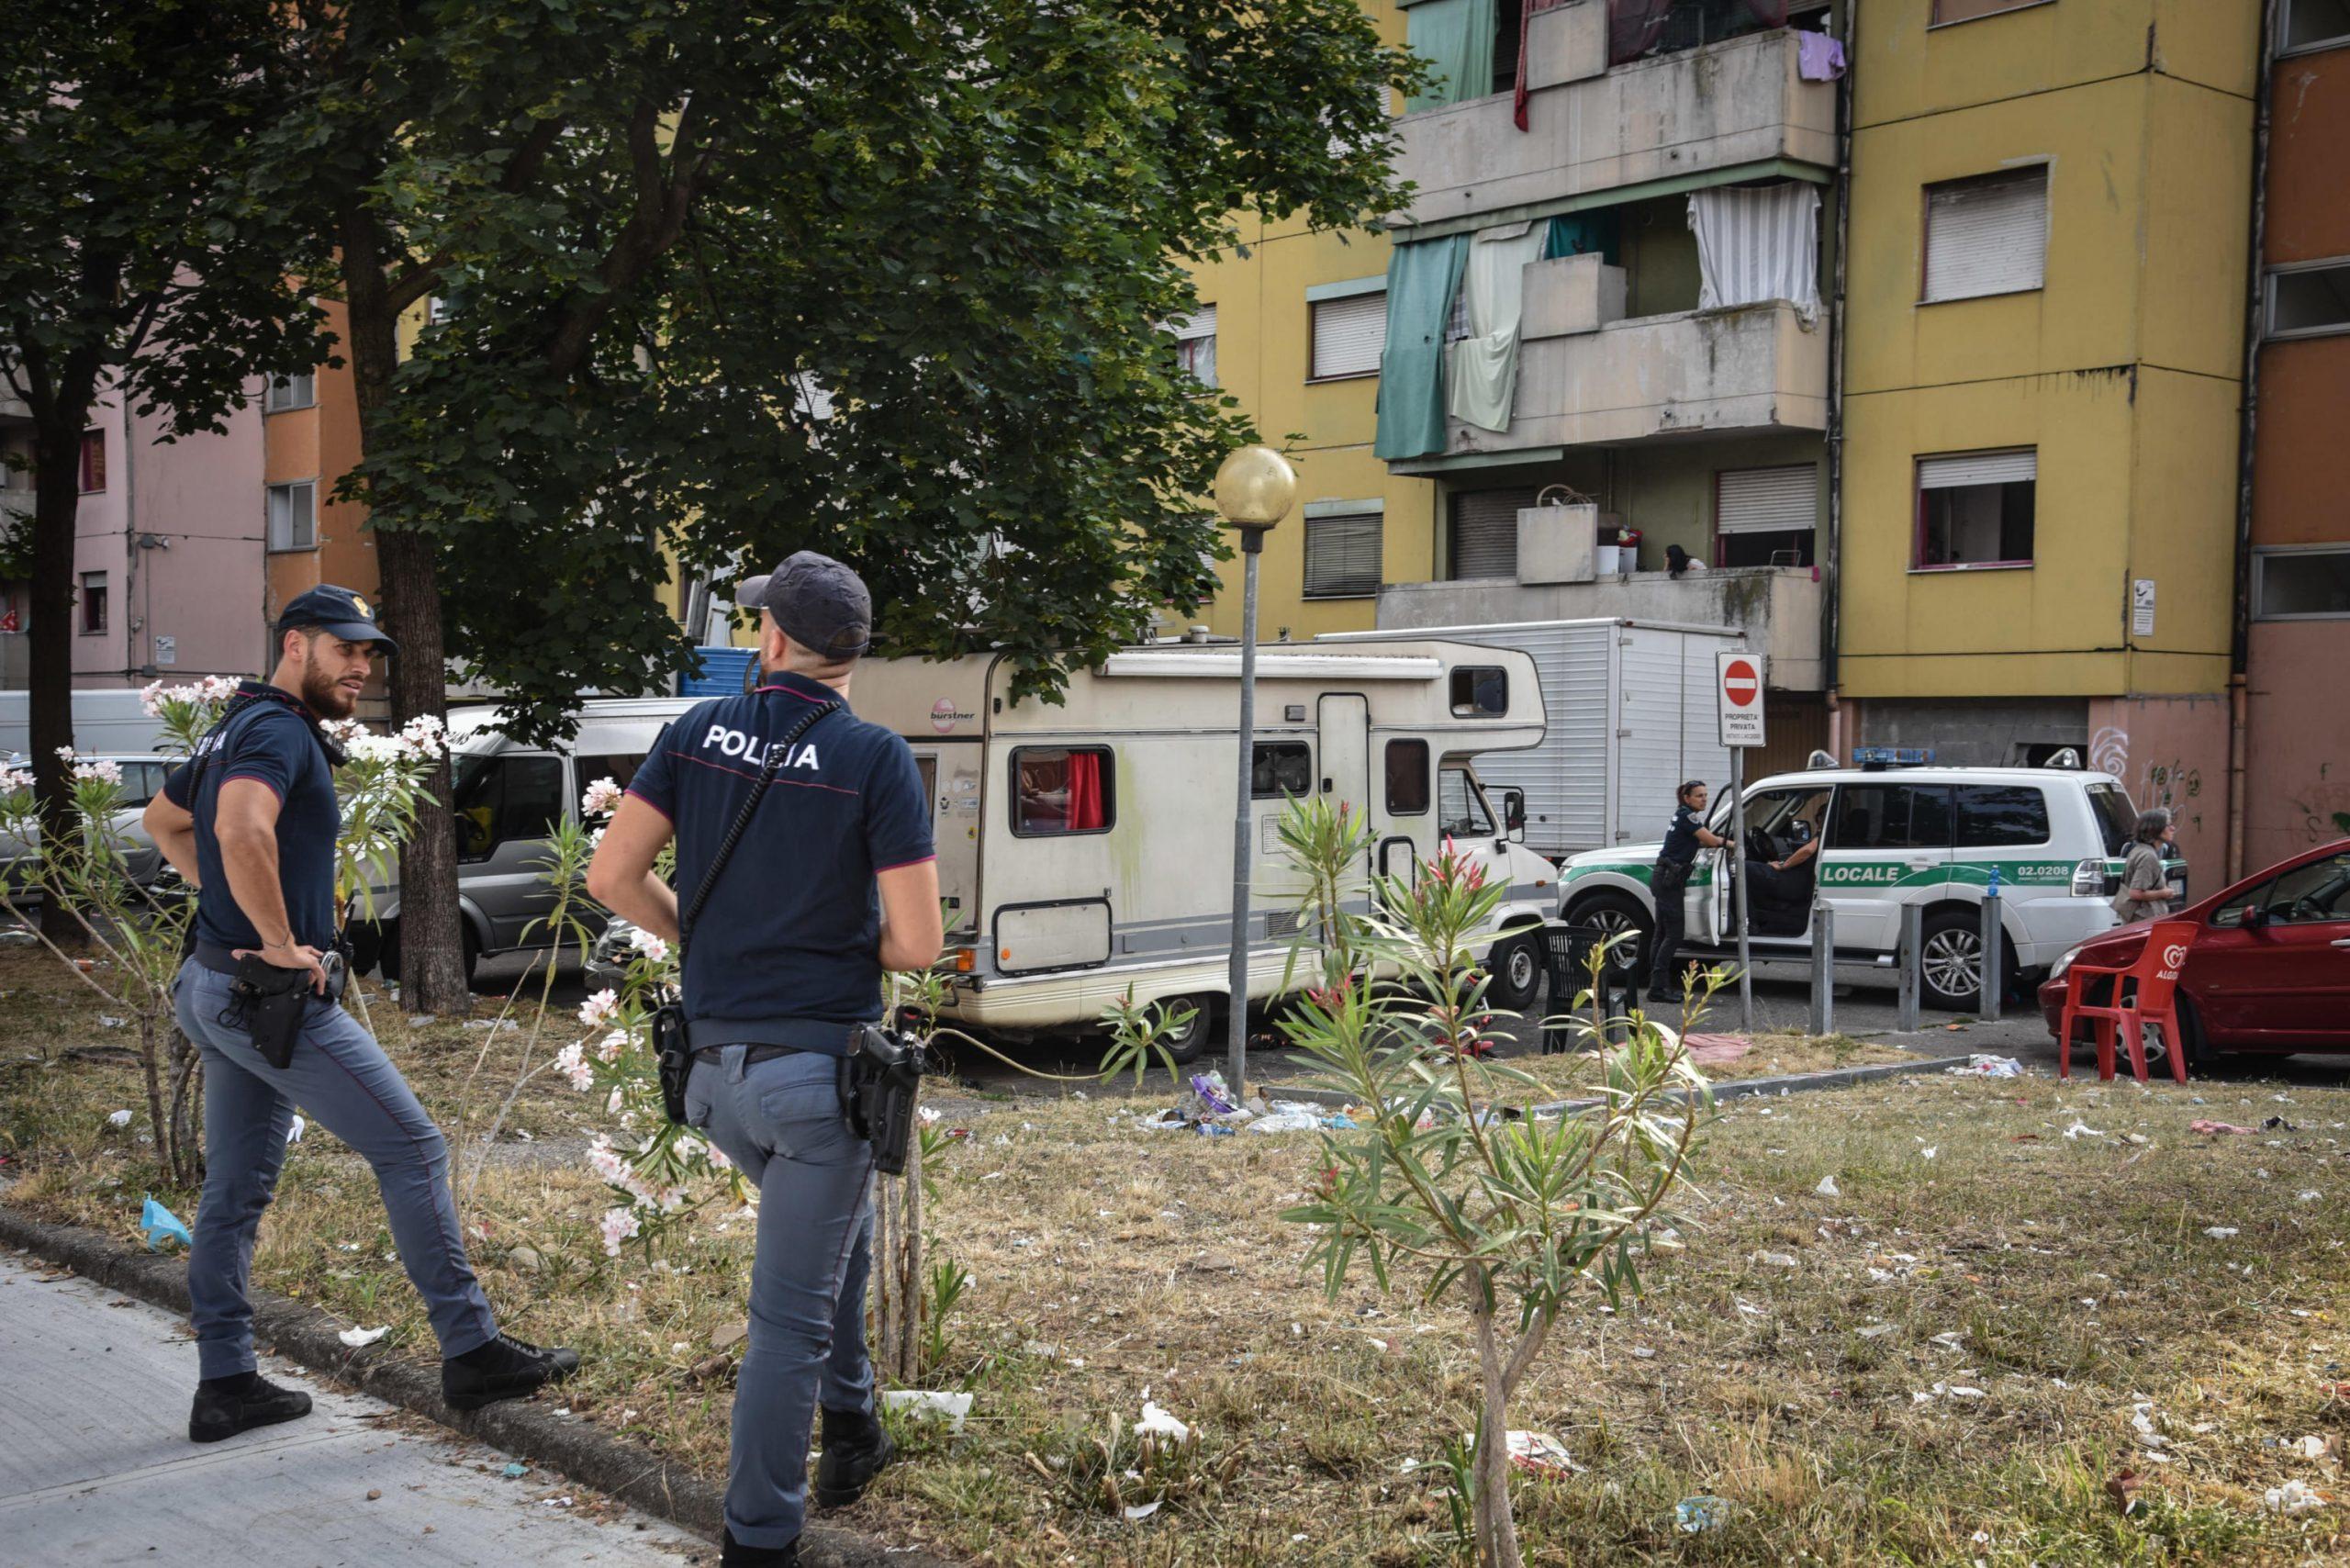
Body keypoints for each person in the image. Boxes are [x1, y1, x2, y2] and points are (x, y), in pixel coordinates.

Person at [141, 586, 578, 1445]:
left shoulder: (237, 722)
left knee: (234, 1192)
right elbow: (236, 828)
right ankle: (472, 1350)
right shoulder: (272, 730)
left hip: (212, 987)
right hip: (263, 998)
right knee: (414, 1147)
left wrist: (228, 914)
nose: (362, 667)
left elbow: (164, 823)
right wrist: (276, 941)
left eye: (370, 652)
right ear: (298, 644)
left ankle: (226, 1383)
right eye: (347, 650)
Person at [588, 552, 944, 1568]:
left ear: (774, 639)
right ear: (850, 654)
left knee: (834, 1239)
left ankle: (856, 1427)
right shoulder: (873, 758)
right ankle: (759, 1536)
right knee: (784, 1320)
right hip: (815, 1086)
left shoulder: (695, 735)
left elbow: (615, 874)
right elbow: (914, 944)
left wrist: (705, 941)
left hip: (712, 1081)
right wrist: (829, 940)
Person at [1648, 779, 1733, 1003]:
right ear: (1687, 798)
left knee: (1661, 934)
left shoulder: (1683, 814)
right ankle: (1658, 988)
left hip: (1665, 877)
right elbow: (1713, 841)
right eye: (1699, 795)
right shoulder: (1689, 817)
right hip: (1670, 880)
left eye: (1706, 795)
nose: (1704, 799)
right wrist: (1735, 844)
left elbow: (1699, 842)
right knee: (1673, 934)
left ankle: (1657, 986)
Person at [2113, 808, 2178, 924]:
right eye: (2168, 825)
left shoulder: (2141, 850)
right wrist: (2164, 893)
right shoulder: (2148, 856)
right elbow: (2135, 893)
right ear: (2155, 829)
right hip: (2143, 922)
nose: (2173, 828)